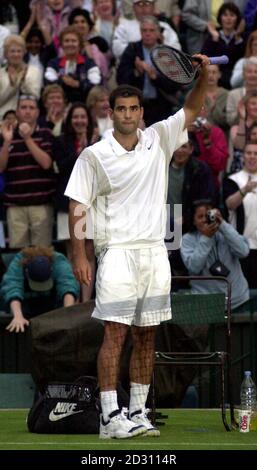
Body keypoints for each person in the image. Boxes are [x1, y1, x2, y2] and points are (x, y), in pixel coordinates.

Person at [65, 50, 210, 439]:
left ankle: (139, 412)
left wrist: (204, 75)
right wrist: (80, 254)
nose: (128, 115)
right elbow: (78, 204)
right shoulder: (94, 155)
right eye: (121, 109)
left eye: (134, 109)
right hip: (116, 255)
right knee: (115, 333)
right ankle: (110, 417)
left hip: (154, 254)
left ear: (141, 112)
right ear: (111, 113)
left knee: (147, 335)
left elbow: (193, 108)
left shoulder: (159, 138)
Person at [180, 200, 249, 310]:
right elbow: (194, 268)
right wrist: (206, 238)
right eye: (200, 217)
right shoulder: (187, 240)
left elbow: (243, 251)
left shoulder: (225, 232)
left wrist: (223, 225)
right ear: (193, 221)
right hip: (208, 304)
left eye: (208, 215)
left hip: (237, 300)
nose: (205, 220)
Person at [1, 245, 80, 333]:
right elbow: (12, 287)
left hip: (52, 306)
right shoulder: (18, 263)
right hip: (26, 306)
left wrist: (67, 314)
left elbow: (68, 285)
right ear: (27, 272)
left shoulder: (59, 262)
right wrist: (17, 316)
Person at [223, 141, 257, 288]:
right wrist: (245, 190)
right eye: (249, 153)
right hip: (240, 247)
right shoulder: (233, 179)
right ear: (243, 156)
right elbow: (229, 204)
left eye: (256, 154)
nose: (252, 157)